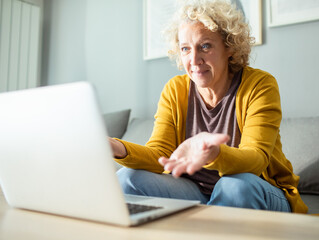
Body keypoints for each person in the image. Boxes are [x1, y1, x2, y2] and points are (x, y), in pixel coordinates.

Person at [109, 0, 308, 213]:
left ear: (229, 46)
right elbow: (161, 155)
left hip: (255, 188)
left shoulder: (259, 85)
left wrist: (214, 154)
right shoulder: (175, 90)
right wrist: (117, 148)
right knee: (127, 178)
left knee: (233, 186)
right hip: (195, 191)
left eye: (205, 46)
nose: (194, 60)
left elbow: (256, 160)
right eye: (185, 49)